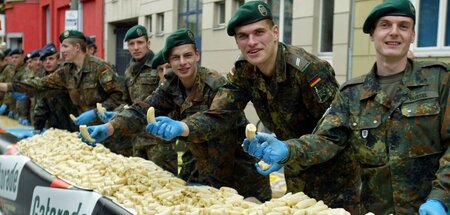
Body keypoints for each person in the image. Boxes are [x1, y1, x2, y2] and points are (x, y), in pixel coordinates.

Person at [145, 1, 360, 211]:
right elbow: (221, 113)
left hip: (336, 180)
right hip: (297, 176)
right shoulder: (244, 71)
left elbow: (337, 134)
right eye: (243, 36)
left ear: (275, 32)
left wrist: (287, 149)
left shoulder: (310, 71)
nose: (252, 42)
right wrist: (183, 127)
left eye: (259, 32)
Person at [243, 0, 449, 214]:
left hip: (430, 208)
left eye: (403, 26)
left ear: (413, 35)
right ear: (372, 34)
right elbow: (327, 139)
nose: (394, 32)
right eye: (385, 25)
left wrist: (441, 198)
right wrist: (287, 149)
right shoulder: (352, 93)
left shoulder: (440, 81)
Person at [80, 28, 272, 202]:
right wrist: (109, 127)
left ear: (197, 55)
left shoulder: (215, 83)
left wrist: (181, 127)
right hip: (201, 168)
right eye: (176, 58)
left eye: (187, 55)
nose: (182, 63)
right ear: (169, 62)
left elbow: (216, 121)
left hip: (239, 174)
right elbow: (143, 109)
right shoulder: (171, 85)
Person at [0, 30, 125, 128]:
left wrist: (96, 112)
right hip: (83, 129)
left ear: (77, 47)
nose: (62, 51)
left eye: (65, 46)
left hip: (107, 131)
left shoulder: (100, 67)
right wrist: (8, 87)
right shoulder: (67, 70)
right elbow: (42, 84)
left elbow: (119, 96)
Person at [96, 24, 177, 168]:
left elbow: (169, 99)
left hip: (158, 140)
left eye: (140, 42)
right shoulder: (129, 70)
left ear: (148, 43)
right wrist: (116, 113)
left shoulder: (161, 65)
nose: (136, 47)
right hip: (137, 137)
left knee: (164, 184)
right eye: (131, 44)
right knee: (140, 181)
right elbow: (127, 101)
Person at [31, 43, 78, 133]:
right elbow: (41, 105)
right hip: (54, 125)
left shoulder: (67, 74)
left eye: (51, 59)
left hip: (73, 123)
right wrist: (38, 126)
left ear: (58, 60)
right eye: (44, 60)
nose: (47, 62)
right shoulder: (43, 78)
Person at [0, 51, 16, 116]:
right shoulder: (2, 70)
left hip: (8, 106)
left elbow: (10, 88)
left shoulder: (9, 69)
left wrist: (5, 104)